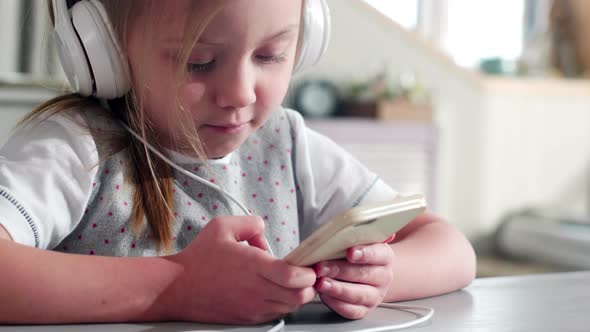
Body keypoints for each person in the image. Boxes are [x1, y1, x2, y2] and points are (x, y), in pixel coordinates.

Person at [0, 0, 476, 325]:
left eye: (270, 55)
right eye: (199, 62)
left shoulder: (286, 144)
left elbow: (451, 248)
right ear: (106, 53)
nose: (241, 93)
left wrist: (380, 274)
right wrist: (177, 285)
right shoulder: (78, 147)